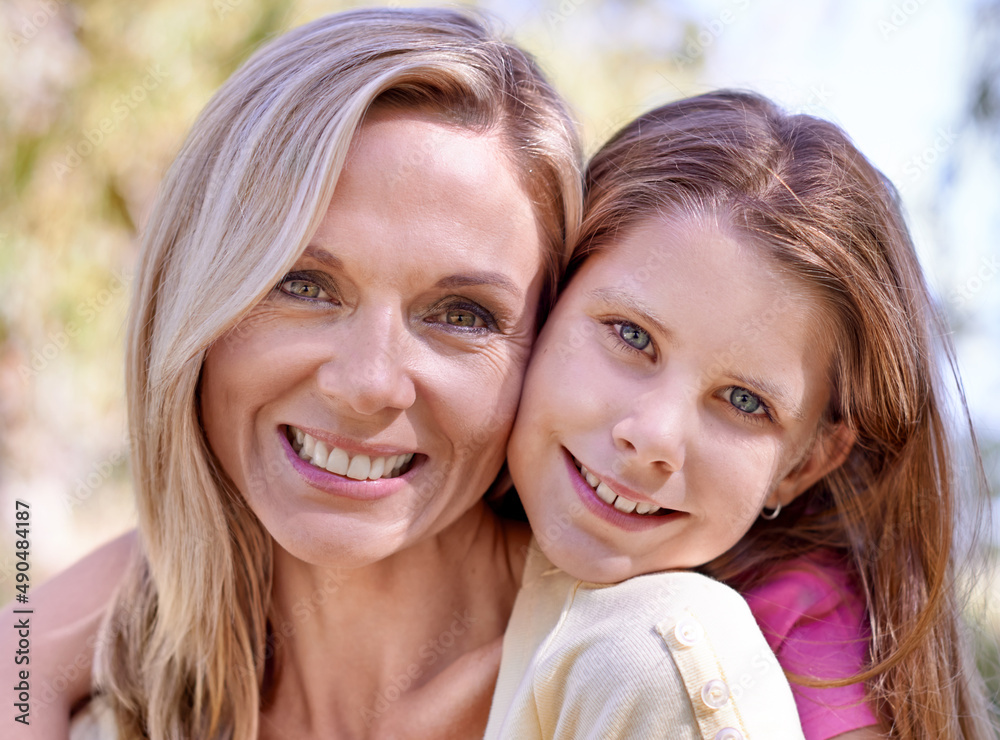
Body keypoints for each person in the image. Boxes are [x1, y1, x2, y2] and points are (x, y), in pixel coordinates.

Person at [1, 9, 810, 740]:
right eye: (302, 284)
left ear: (543, 342)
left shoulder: (645, 675)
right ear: (193, 300)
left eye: (461, 315)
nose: (369, 384)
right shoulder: (117, 702)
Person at [489, 91, 997, 740]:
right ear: (547, 300)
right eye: (631, 336)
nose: (654, 438)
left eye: (744, 402)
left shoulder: (800, 631)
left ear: (805, 464)